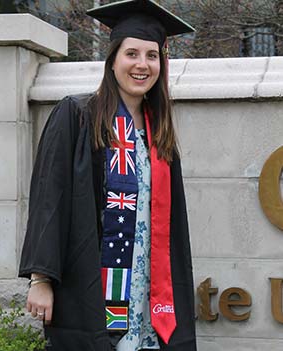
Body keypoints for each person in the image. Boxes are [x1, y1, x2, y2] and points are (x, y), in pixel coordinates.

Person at [19, 0, 197, 350]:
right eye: (132, 53)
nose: (142, 65)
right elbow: (49, 199)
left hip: (148, 290)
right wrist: (41, 278)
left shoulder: (159, 134)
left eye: (152, 56)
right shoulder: (77, 115)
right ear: (112, 60)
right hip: (92, 286)